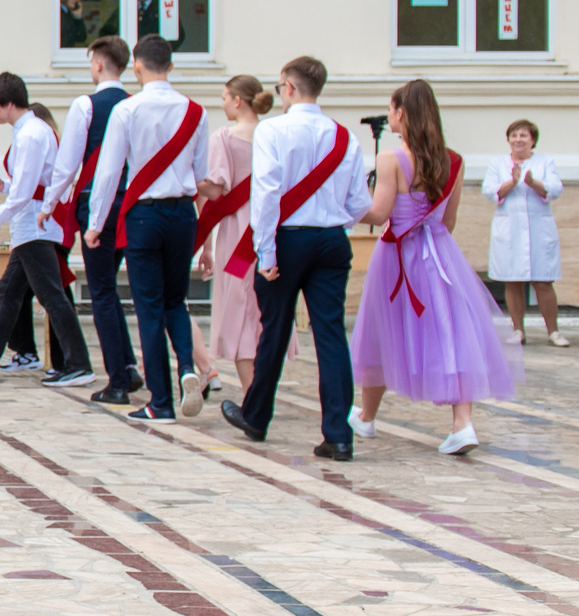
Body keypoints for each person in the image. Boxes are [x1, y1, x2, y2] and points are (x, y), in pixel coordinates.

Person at [352, 81, 520, 455]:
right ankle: (462, 424)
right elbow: (450, 219)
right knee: (452, 332)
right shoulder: (454, 160)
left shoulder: (391, 159)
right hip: (441, 254)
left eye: (392, 109)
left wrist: (344, 204)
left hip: (397, 256)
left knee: (381, 331)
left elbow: (379, 215)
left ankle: (365, 417)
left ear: (401, 113)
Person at [223, 56, 371, 459]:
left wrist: (265, 251)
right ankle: (338, 434)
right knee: (330, 334)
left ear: (288, 87)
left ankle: (256, 416)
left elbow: (267, 193)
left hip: (286, 240)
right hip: (331, 240)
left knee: (274, 329)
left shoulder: (273, 130)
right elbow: (359, 203)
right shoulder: (345, 137)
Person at [81, 34, 212, 422]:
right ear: (171, 66)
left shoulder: (128, 110)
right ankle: (187, 367)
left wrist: (95, 223)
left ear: (135, 66)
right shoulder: (196, 112)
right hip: (182, 215)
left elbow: (108, 173)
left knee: (149, 307)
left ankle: (161, 402)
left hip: (143, 216)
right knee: (176, 301)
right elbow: (201, 175)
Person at [0, 74, 93, 388]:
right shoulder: (34, 130)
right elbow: (30, 186)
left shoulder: (30, 134)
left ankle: (78, 363)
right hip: (32, 227)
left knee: (50, 297)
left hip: (33, 228)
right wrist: (7, 186)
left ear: (9, 104)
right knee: (10, 292)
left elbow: (24, 194)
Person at [48, 37, 141, 404]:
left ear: (99, 65)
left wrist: (50, 203)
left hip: (97, 203)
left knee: (102, 291)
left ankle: (117, 378)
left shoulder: (86, 104)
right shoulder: (136, 105)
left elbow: (68, 161)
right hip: (134, 203)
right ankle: (130, 364)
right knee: (118, 290)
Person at [195, 75, 279, 404]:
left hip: (239, 233)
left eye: (225, 97)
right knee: (263, 311)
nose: (222, 103)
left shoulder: (225, 137)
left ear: (238, 101)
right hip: (269, 230)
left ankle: (252, 398)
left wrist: (187, 177)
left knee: (242, 313)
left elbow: (216, 187)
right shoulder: (273, 136)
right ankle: (259, 394)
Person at [485, 119, 566, 346]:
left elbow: (555, 188)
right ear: (508, 139)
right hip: (510, 230)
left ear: (532, 140)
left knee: (543, 281)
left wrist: (532, 182)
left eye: (523, 136)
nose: (518, 140)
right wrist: (513, 181)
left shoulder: (545, 162)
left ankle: (553, 331)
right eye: (514, 135)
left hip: (539, 230)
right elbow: (490, 192)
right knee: (513, 280)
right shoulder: (498, 163)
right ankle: (518, 330)